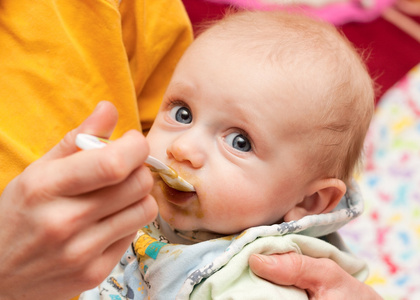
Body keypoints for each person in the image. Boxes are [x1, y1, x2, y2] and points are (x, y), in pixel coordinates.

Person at [0, 1, 382, 299]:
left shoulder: (253, 281)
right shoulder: (177, 210)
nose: (182, 148)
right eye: (182, 113)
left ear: (311, 202)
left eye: (239, 142)